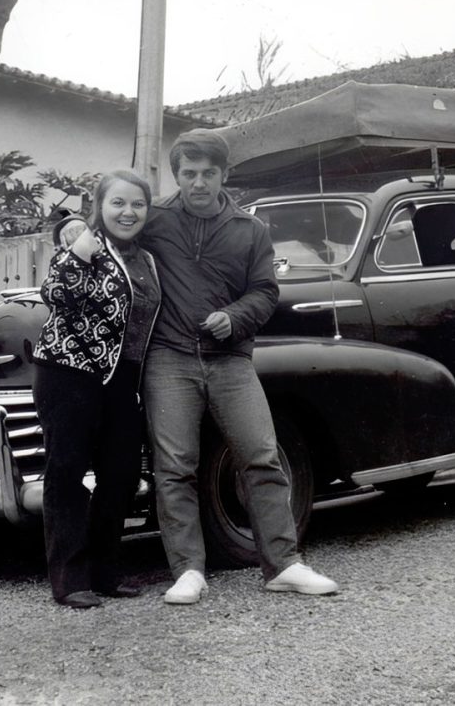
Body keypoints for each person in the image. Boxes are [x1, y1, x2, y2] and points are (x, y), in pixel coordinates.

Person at [140, 129, 338, 604]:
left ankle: (283, 565)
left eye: (209, 173)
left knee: (262, 456)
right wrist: (72, 227)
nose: (199, 183)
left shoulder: (250, 230)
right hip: (169, 358)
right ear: (177, 175)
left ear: (224, 174)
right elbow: (112, 223)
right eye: (189, 173)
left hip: (230, 359)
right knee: (175, 467)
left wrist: (235, 316)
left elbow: (265, 291)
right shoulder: (154, 219)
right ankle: (188, 571)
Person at [32, 169, 160, 609]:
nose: (128, 212)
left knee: (121, 473)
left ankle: (106, 574)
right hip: (69, 371)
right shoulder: (86, 244)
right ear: (99, 207)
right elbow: (54, 292)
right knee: (67, 471)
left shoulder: (146, 258)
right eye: (117, 203)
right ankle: (70, 580)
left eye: (138, 204)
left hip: (122, 377)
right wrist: (79, 246)